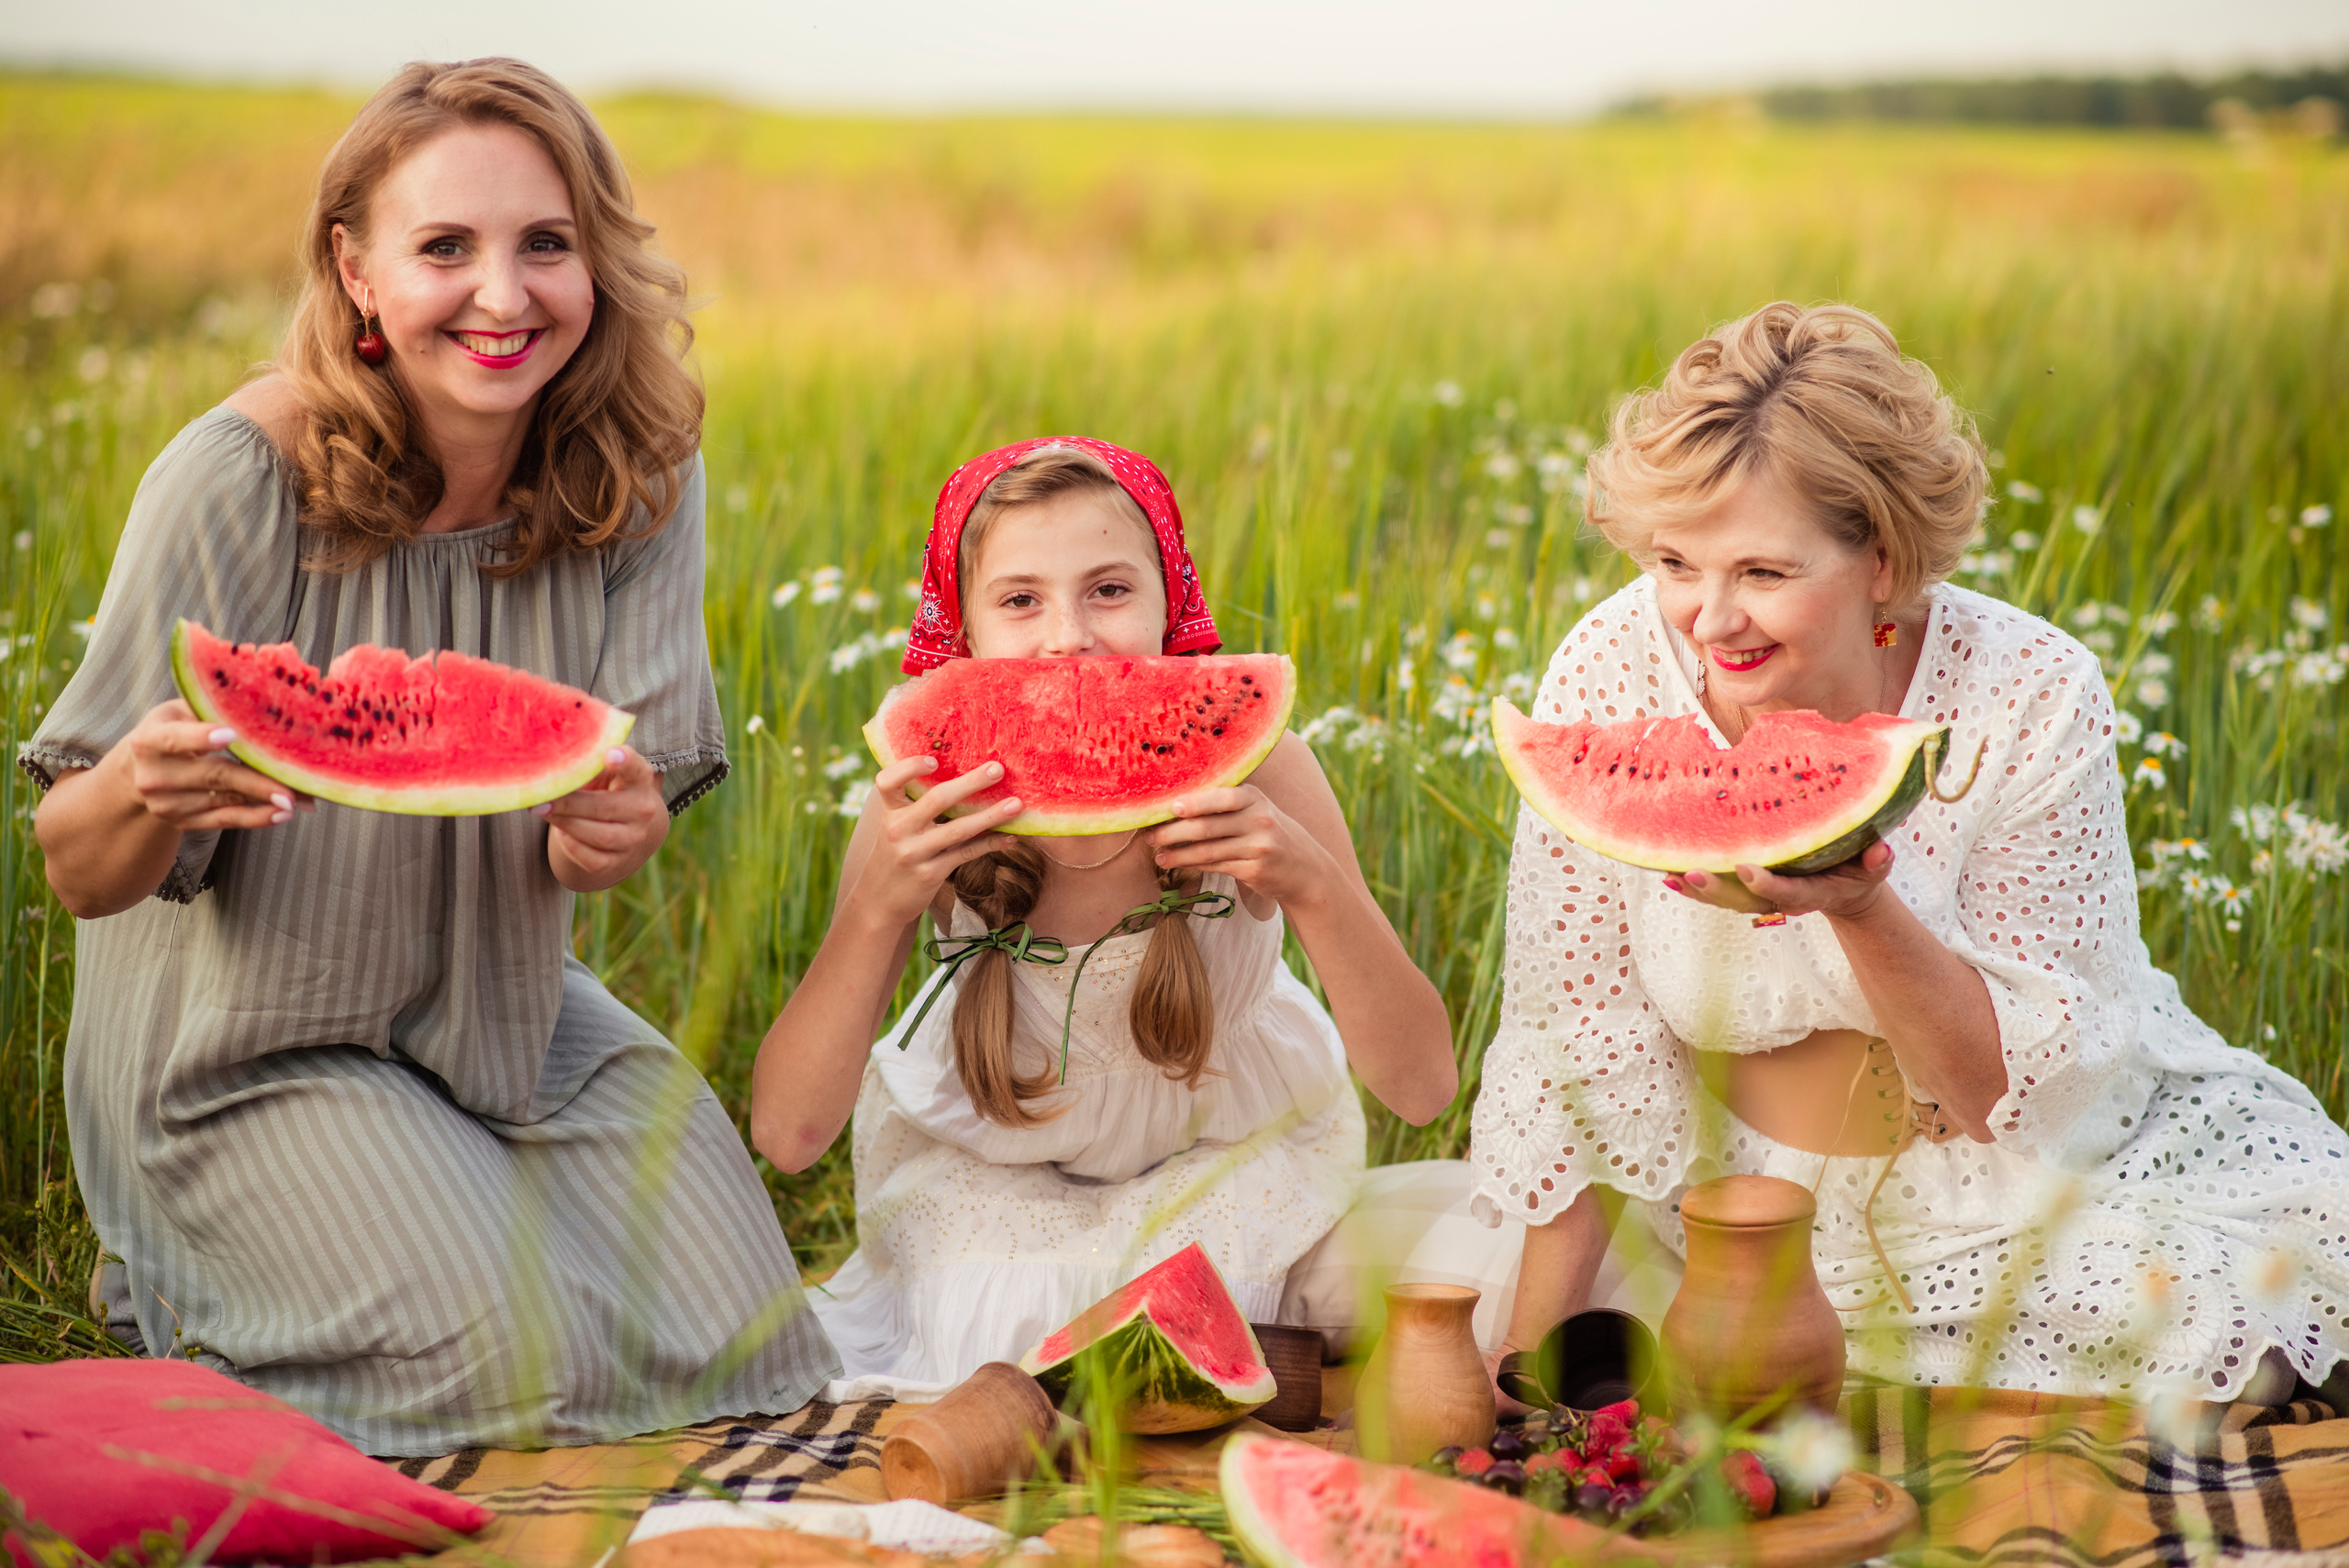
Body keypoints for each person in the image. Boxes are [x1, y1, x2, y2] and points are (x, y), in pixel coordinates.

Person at [27, 59, 837, 1456]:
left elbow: (616, 808)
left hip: (504, 1009)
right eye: (445, 248)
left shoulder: (642, 469)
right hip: (246, 1041)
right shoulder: (237, 476)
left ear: (600, 259)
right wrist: (142, 792)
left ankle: (415, 1214)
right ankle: (170, 1280)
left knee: (748, 1333)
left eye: (546, 243)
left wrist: (614, 829)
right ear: (357, 270)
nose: (504, 296)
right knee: (507, 1362)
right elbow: (78, 870)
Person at [1469, 301, 2349, 1407]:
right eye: (1674, 561)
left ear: (1880, 562)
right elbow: (1579, 1034)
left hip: (2025, 1169)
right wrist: (1522, 1368)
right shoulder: (1610, 664)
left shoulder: (2031, 692)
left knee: (2253, 1308)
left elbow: (2013, 1094)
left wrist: (1861, 906)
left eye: (1763, 573)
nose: (1707, 618)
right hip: (1732, 1202)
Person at [751, 438, 1459, 1392]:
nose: (1067, 639)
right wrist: (877, 912)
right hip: (989, 1171)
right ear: (960, 631)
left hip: (1222, 1156)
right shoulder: (922, 798)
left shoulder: (1263, 765)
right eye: (1019, 599)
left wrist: (1312, 885)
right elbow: (789, 1134)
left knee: (1232, 1293)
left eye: (1109, 590)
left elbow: (1422, 1086)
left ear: (1173, 604)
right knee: (997, 1322)